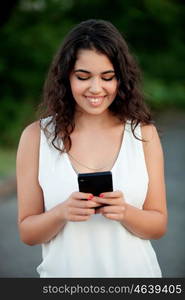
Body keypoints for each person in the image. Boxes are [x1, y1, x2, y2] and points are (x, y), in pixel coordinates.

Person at [16, 19, 167, 278]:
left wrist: (125, 212)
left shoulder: (144, 134)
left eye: (107, 77)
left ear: (120, 79)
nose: (96, 88)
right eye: (83, 77)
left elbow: (158, 225)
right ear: (66, 77)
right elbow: (28, 233)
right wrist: (61, 213)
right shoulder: (35, 137)